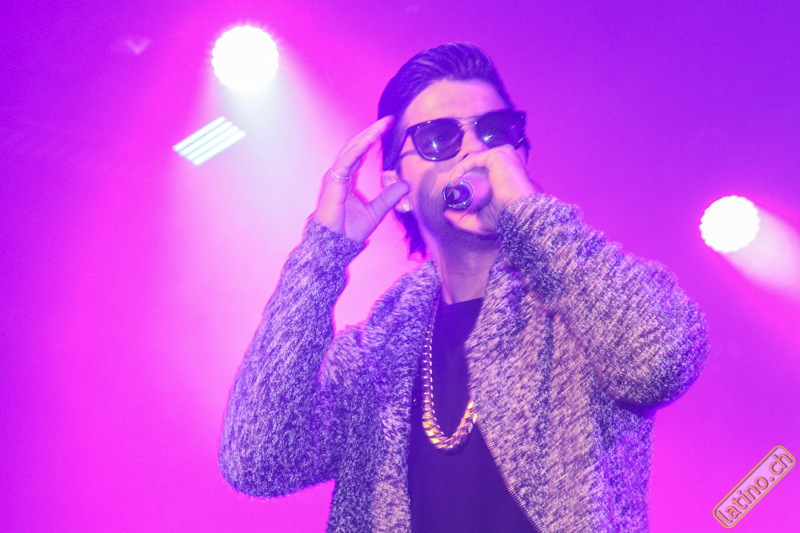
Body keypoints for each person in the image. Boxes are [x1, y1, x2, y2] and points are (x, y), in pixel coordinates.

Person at [219, 43, 708, 532]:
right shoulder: (378, 351)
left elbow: (662, 360)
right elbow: (257, 460)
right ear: (396, 187)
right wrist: (321, 257)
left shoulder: (580, 298)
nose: (477, 148)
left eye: (496, 131)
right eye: (439, 137)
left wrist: (530, 213)